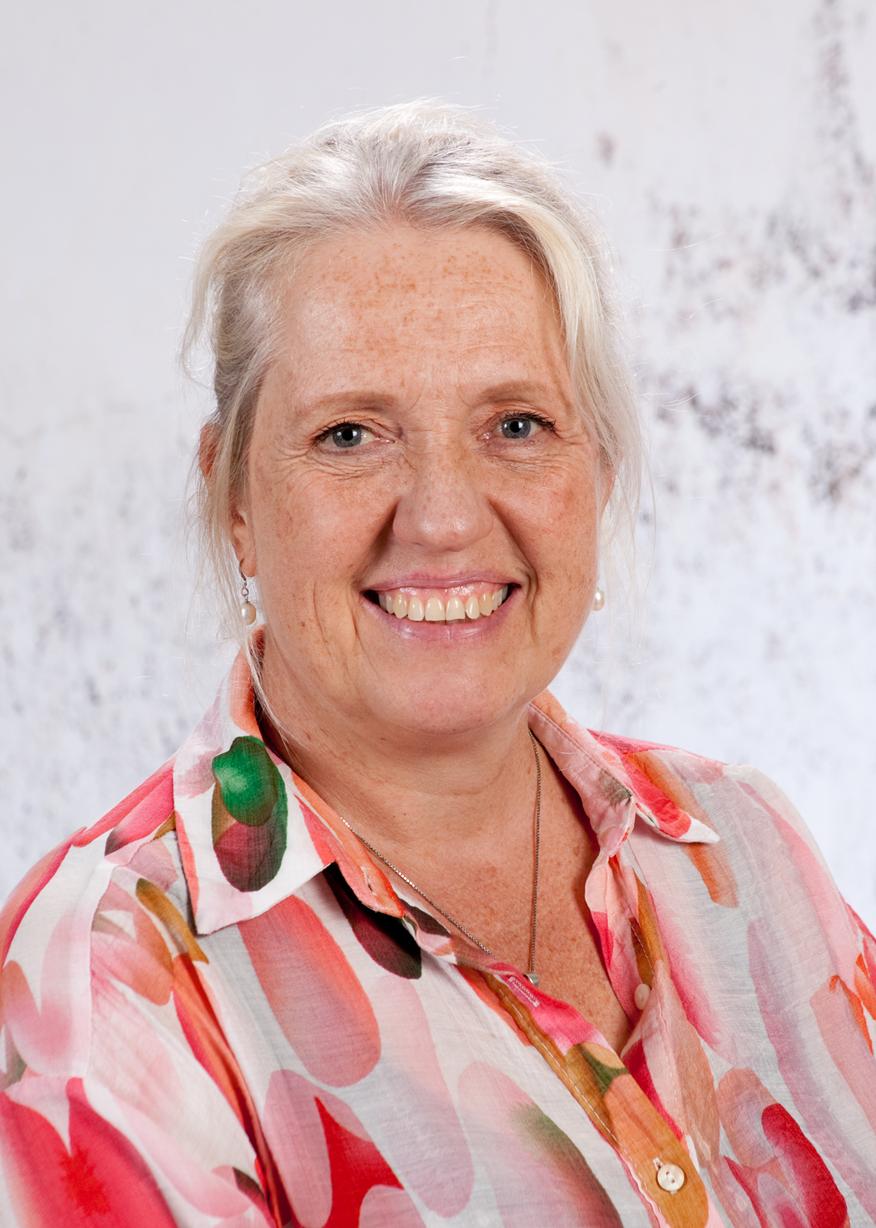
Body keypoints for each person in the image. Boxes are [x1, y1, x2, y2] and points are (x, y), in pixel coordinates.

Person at [1, 100, 873, 1227]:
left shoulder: (742, 845)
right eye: (351, 435)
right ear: (235, 499)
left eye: (516, 425)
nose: (446, 518)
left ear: (598, 473)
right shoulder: (109, 974)